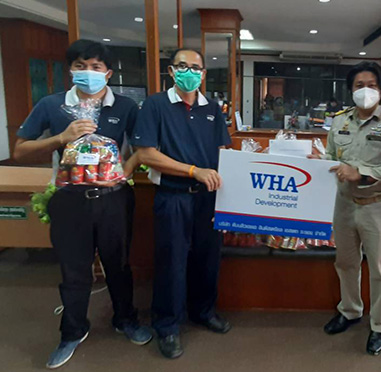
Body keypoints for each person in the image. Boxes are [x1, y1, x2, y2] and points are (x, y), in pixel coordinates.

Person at [13, 39, 152, 369]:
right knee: (74, 270)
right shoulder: (52, 105)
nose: (88, 72)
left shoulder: (126, 107)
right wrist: (61, 138)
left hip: (114, 198)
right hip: (69, 200)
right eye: (80, 66)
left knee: (118, 265)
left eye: (95, 67)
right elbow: (20, 150)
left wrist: (123, 171)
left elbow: (142, 149)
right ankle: (72, 331)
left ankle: (125, 319)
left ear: (108, 73)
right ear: (71, 70)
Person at [132, 48, 232, 360]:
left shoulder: (212, 108)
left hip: (208, 199)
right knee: (171, 262)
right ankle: (167, 326)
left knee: (208, 258)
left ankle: (203, 312)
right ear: (171, 71)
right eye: (182, 66)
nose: (189, 72)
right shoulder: (155, 105)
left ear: (203, 74)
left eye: (195, 68)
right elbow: (146, 154)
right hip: (173, 196)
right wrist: (192, 171)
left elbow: (223, 152)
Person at [314, 61, 381, 355]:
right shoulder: (340, 121)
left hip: (377, 206)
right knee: (345, 263)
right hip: (343, 204)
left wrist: (363, 173)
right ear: (351, 90)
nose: (365, 90)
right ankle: (350, 310)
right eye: (359, 85)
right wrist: (318, 163)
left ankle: (380, 325)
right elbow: (332, 157)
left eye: (371, 85)